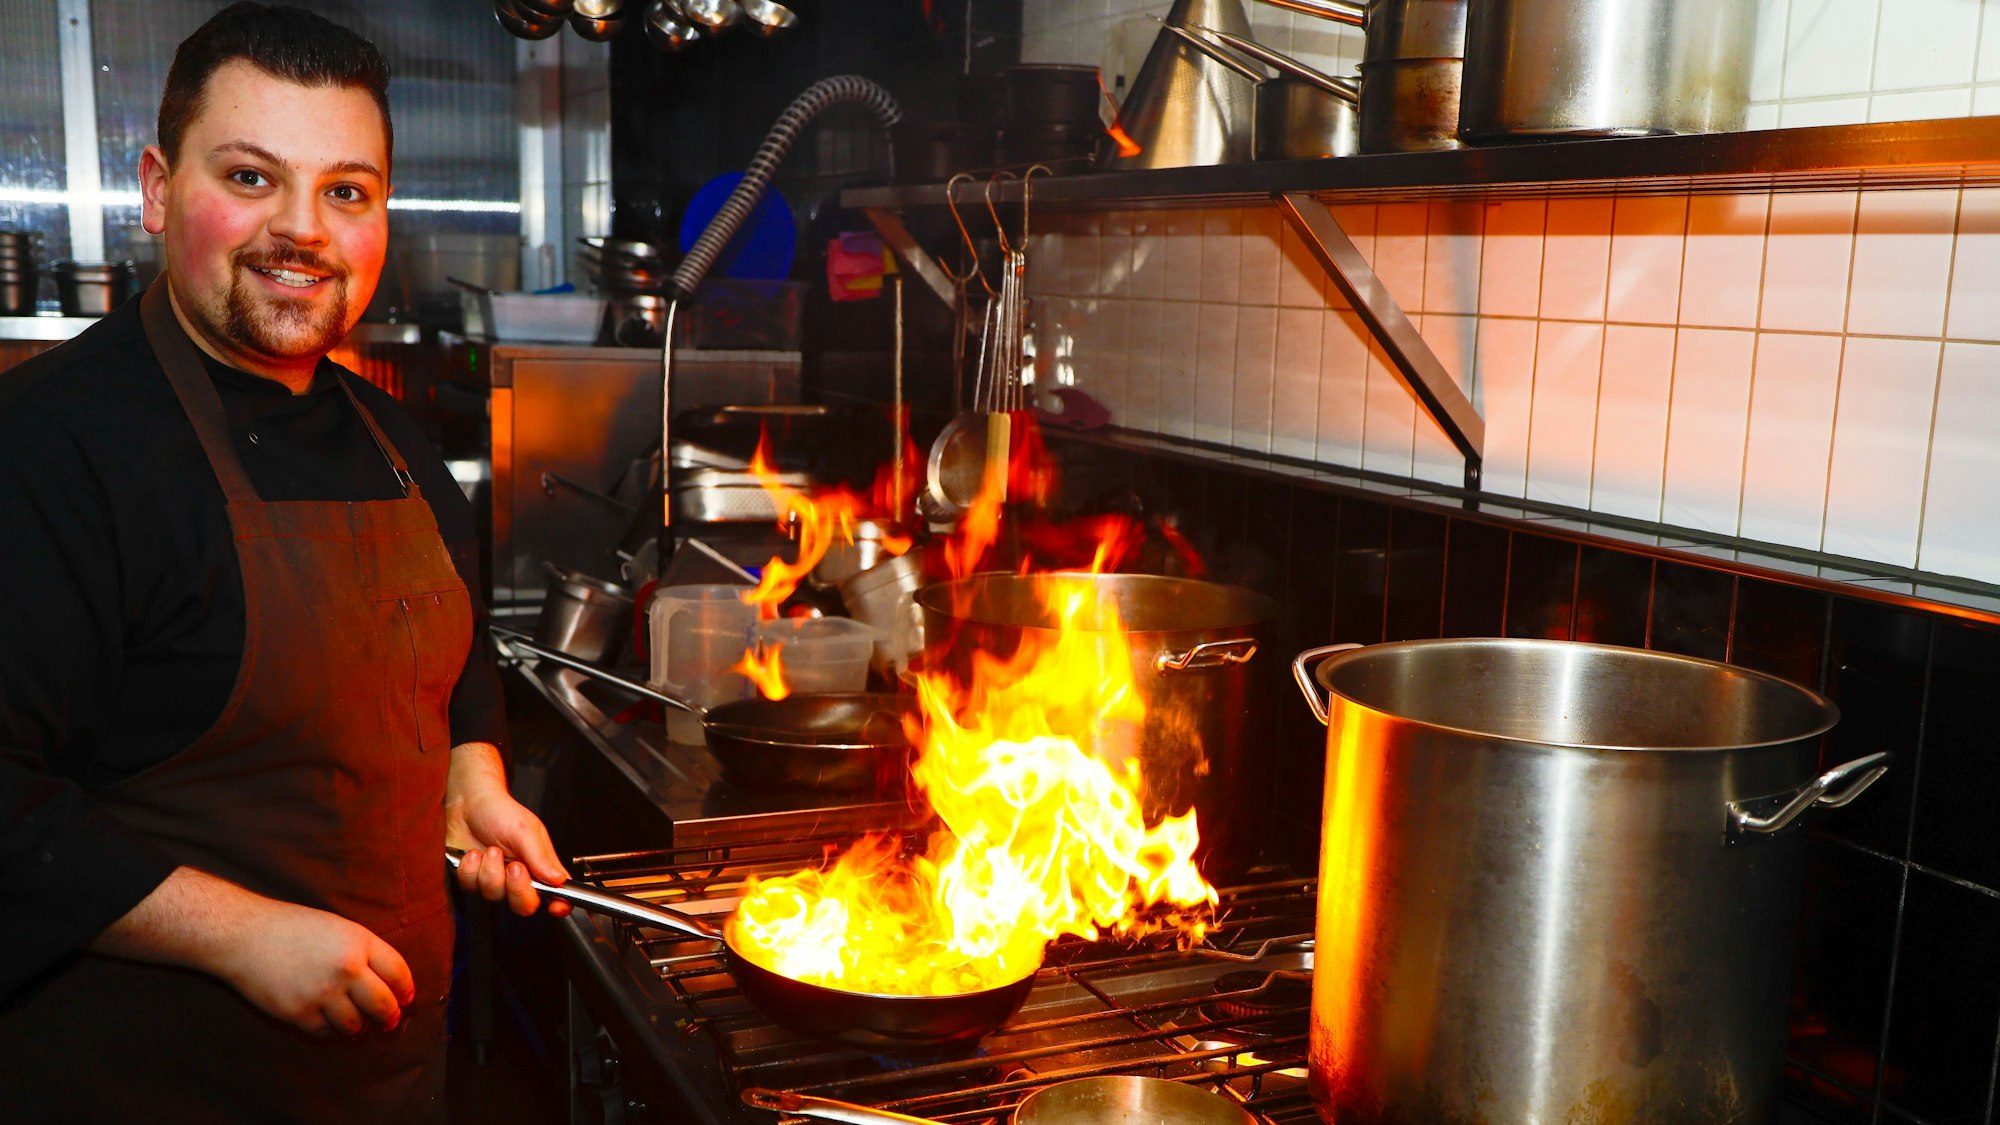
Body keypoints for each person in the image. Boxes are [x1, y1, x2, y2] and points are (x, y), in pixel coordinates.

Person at [0, 6, 568, 1121]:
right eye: (252, 178)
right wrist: (238, 935)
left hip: (390, 1079)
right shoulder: (49, 447)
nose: (302, 230)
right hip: (150, 1083)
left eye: (345, 191)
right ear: (159, 189)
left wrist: (474, 774)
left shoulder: (395, 442)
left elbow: (453, 665)